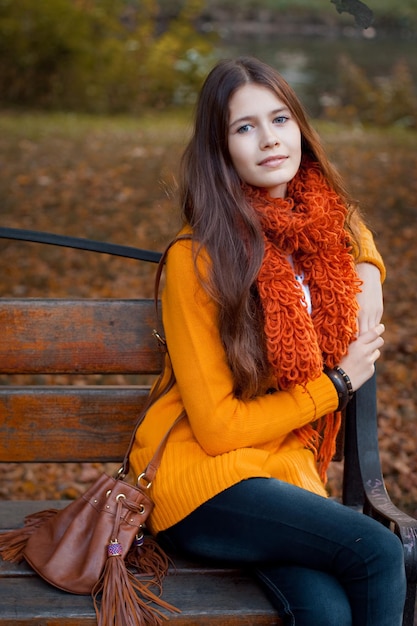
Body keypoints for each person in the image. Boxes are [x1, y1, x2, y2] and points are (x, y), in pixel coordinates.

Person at [130, 57, 406, 625]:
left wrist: (370, 270)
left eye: (279, 119)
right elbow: (217, 429)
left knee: (326, 611)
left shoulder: (319, 229)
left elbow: (353, 230)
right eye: (244, 127)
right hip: (203, 485)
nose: (270, 140)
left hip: (282, 479)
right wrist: (337, 384)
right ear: (221, 147)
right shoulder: (198, 260)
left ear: (299, 127)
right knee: (377, 550)